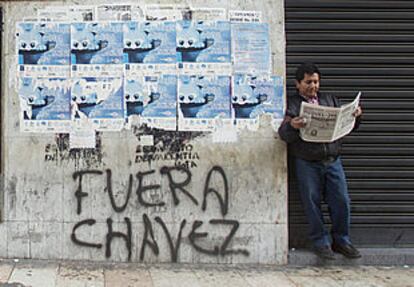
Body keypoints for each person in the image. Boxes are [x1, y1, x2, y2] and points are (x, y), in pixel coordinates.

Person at [278, 62, 362, 260]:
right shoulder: (292, 104)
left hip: (332, 160)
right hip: (307, 161)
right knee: (312, 202)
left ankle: (341, 240)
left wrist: (356, 117)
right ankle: (321, 242)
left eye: (315, 82)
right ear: (298, 84)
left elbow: (348, 126)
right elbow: (283, 133)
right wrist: (293, 125)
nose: (313, 86)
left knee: (341, 201)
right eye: (308, 82)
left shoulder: (329, 99)